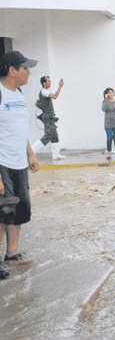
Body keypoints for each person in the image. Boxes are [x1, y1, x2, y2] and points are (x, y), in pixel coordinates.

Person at [0, 51, 40, 279]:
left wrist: (30, 153)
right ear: (12, 70)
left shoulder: (19, 93)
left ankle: (12, 254)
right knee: (3, 212)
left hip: (19, 162)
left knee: (20, 209)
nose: (28, 72)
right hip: (2, 163)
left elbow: (19, 128)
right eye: (25, 68)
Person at [31, 76, 66, 159]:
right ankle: (32, 151)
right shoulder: (44, 91)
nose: (50, 83)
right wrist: (60, 87)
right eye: (48, 81)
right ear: (44, 83)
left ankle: (56, 154)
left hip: (49, 116)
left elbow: (37, 103)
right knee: (48, 136)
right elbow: (54, 97)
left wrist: (44, 108)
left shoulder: (44, 92)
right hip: (48, 117)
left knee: (54, 136)